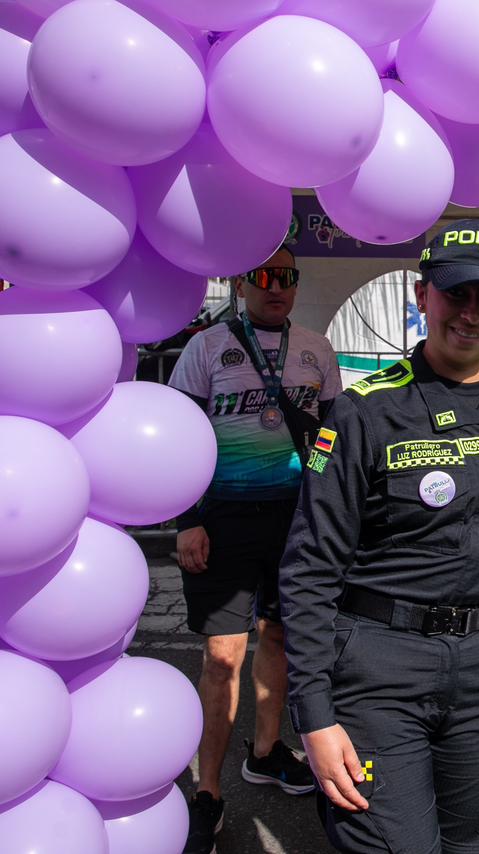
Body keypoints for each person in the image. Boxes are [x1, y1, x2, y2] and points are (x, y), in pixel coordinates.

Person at [278, 219, 479, 853]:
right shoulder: (364, 412)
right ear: (422, 295)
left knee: (475, 844)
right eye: (457, 294)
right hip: (380, 671)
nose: (473, 314)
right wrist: (314, 717)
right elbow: (310, 570)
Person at [169, 245, 339, 854]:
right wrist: (187, 521)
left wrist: (330, 521)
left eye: (288, 277)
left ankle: (264, 753)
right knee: (221, 657)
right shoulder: (206, 347)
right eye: (265, 277)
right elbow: (178, 440)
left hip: (294, 522)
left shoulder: (317, 349)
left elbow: (329, 442)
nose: (277, 287)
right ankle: (208, 792)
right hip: (223, 522)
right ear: (242, 283)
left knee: (281, 637)